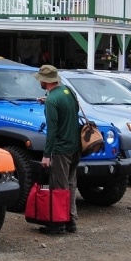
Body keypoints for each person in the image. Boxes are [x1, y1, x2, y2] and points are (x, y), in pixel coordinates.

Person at [35, 64, 80, 234]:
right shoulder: (67, 91)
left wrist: (47, 155)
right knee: (71, 184)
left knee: (59, 186)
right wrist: (48, 101)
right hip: (75, 146)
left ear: (44, 81)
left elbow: (52, 131)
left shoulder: (52, 100)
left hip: (61, 150)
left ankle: (57, 224)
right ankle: (71, 221)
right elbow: (71, 109)